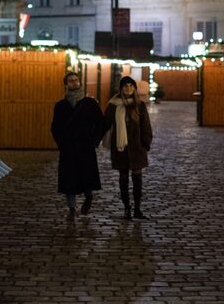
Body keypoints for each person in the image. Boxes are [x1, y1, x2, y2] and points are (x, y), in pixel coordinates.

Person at [51, 71, 105, 221]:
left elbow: (100, 123)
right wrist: (61, 143)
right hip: (68, 147)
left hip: (85, 146)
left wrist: (95, 140)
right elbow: (55, 127)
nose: (74, 82)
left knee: (86, 175)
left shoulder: (90, 103)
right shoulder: (61, 106)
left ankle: (88, 197)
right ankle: (71, 208)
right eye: (71, 80)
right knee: (69, 179)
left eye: (76, 80)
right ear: (66, 84)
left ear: (80, 82)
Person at [104, 76, 153, 220]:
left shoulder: (140, 106)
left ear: (134, 89)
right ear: (121, 88)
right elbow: (105, 123)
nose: (128, 88)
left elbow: (146, 126)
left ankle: (137, 208)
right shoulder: (113, 105)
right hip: (121, 148)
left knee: (137, 180)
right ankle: (127, 208)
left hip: (137, 148)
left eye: (131, 86)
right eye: (125, 86)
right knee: (123, 179)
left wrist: (146, 143)